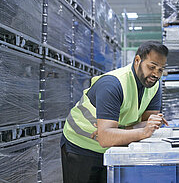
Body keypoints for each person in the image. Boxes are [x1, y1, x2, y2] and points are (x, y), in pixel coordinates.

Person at [61, 41, 169, 183]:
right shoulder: (113, 84)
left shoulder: (153, 85)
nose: (156, 74)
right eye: (152, 67)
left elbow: (147, 125)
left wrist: (118, 132)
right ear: (137, 60)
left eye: (160, 69)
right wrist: (139, 131)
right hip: (81, 146)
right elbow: (107, 138)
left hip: (113, 149)